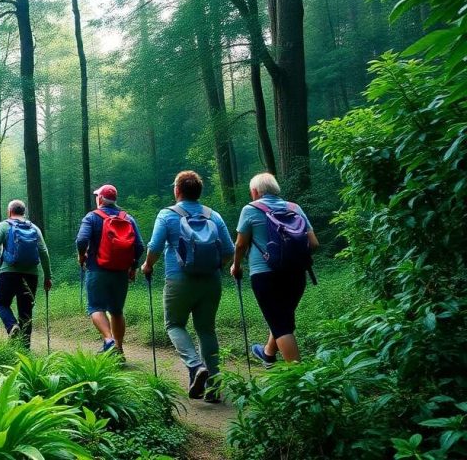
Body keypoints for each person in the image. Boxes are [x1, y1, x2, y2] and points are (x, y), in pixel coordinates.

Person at [141, 171, 235, 402]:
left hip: (178, 281)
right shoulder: (214, 216)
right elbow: (230, 251)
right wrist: (214, 266)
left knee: (174, 324)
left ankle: (195, 367)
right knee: (206, 330)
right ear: (199, 191)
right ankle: (213, 388)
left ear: (177, 190)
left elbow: (154, 246)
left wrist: (147, 265)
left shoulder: (167, 215)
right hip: (211, 282)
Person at [231, 173, 319, 366]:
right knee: (284, 317)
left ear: (255, 192)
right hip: (296, 274)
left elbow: (239, 245)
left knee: (280, 324)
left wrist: (236, 266)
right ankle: (268, 354)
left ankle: (300, 380)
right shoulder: (294, 208)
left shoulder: (250, 209)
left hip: (265, 275)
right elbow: (313, 243)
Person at [76, 184, 145, 354]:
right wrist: (133, 266)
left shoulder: (92, 217)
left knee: (95, 307)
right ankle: (119, 351)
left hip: (97, 270)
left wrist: (81, 256)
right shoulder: (128, 218)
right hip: (121, 272)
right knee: (116, 311)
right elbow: (140, 246)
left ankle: (109, 341)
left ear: (100, 199)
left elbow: (81, 240)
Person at [0, 200, 52, 349]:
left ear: (9, 212)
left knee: (1, 303)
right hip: (31, 275)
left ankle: (12, 326)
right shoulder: (34, 228)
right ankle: (25, 350)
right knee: (26, 312)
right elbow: (44, 253)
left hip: (9, 273)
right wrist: (47, 276)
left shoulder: (4, 225)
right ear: (23, 212)